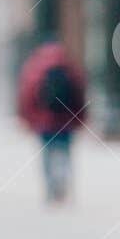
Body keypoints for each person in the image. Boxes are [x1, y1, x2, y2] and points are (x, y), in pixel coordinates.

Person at [17, 40, 88, 204]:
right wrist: (81, 119)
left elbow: (26, 96)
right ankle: (64, 185)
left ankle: (50, 189)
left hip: (44, 122)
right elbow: (80, 95)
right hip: (67, 121)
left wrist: (27, 119)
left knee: (47, 155)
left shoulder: (34, 68)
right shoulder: (69, 67)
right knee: (65, 154)